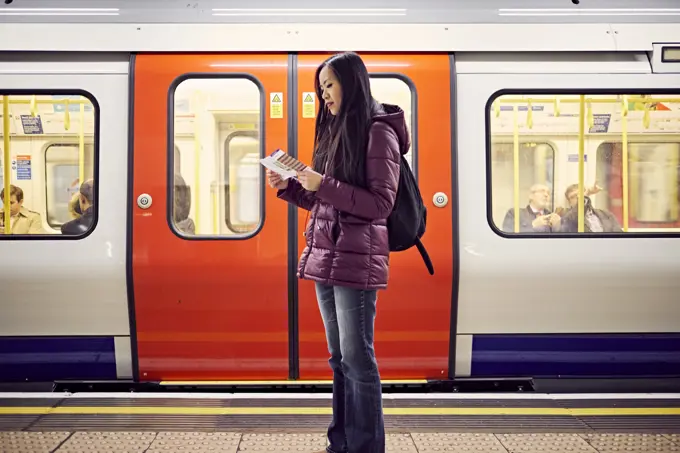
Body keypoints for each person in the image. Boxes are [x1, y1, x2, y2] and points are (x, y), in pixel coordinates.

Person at [267, 52, 408, 453]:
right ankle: (341, 442)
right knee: (339, 359)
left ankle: (365, 447)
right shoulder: (336, 131)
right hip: (326, 257)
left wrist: (321, 182)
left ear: (352, 82)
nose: (323, 94)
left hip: (356, 260)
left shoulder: (379, 132)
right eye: (320, 87)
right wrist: (288, 187)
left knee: (358, 359)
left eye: (329, 85)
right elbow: (326, 202)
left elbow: (380, 204)